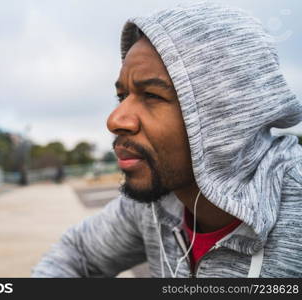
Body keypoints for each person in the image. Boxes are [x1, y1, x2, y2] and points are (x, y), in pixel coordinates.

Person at [32, 2, 302, 277]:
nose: (115, 120)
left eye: (151, 95)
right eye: (122, 96)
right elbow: (76, 253)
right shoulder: (154, 203)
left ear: (226, 113)